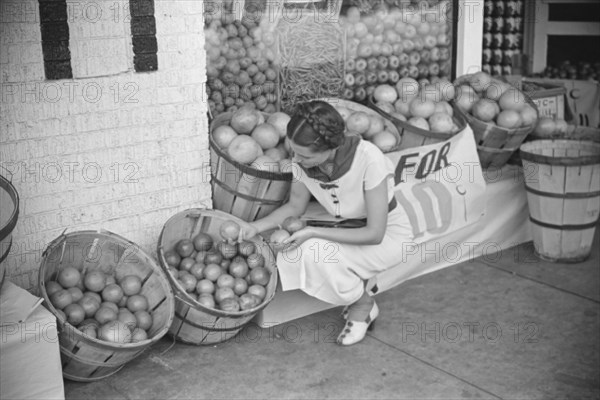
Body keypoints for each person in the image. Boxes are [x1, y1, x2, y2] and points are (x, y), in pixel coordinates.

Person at [239, 100, 413, 346]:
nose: (296, 159)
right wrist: (255, 227)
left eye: (305, 155)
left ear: (332, 146)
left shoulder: (368, 159)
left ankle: (361, 306)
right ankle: (360, 294)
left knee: (313, 250)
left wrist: (312, 232)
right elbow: (295, 207)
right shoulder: (301, 161)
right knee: (294, 251)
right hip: (344, 226)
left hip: (390, 236)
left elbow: (375, 233)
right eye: (294, 151)